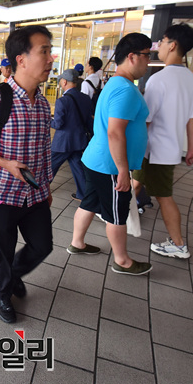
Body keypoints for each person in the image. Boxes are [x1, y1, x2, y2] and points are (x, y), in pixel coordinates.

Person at [0, 25, 54, 323]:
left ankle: (12, 274)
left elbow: (44, 148)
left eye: (50, 51)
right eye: (44, 51)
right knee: (4, 249)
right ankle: (1, 292)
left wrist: (47, 186)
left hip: (36, 193)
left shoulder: (43, 103)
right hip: (2, 193)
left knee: (43, 245)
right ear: (21, 59)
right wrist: (5, 163)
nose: (51, 59)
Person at [68, 33, 152, 275]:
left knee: (89, 202)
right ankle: (122, 261)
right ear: (132, 56)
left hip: (97, 159)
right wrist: (123, 171)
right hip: (110, 165)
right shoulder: (125, 89)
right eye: (147, 56)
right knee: (116, 213)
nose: (148, 62)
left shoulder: (115, 84)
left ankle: (77, 243)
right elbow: (115, 132)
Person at [131, 23, 193, 259]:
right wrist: (191, 148)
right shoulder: (191, 79)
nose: (158, 45)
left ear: (172, 45)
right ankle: (114, 215)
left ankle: (178, 244)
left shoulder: (158, 79)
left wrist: (132, 147)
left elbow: (146, 121)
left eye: (161, 41)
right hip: (168, 149)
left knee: (164, 196)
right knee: (134, 184)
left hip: (154, 150)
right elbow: (192, 118)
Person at [51, 68, 94, 201]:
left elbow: (58, 124)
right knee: (77, 166)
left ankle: (38, 190)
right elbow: (89, 121)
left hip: (62, 143)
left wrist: (47, 120)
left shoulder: (62, 101)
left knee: (49, 166)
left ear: (64, 82)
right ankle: (84, 194)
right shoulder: (85, 98)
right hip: (79, 140)